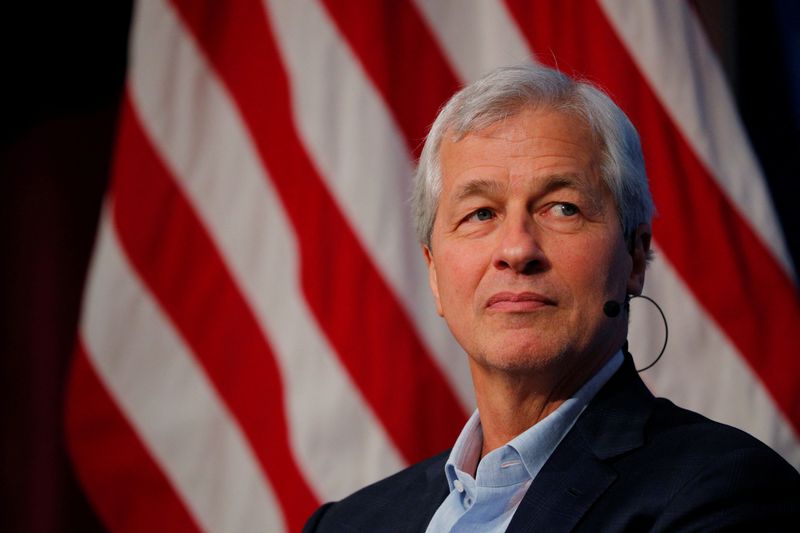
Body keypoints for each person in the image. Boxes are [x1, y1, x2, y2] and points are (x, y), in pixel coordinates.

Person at [303, 64, 800, 532]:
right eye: (480, 213)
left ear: (634, 255)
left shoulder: (725, 492)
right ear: (434, 272)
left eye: (563, 208)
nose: (517, 249)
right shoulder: (348, 523)